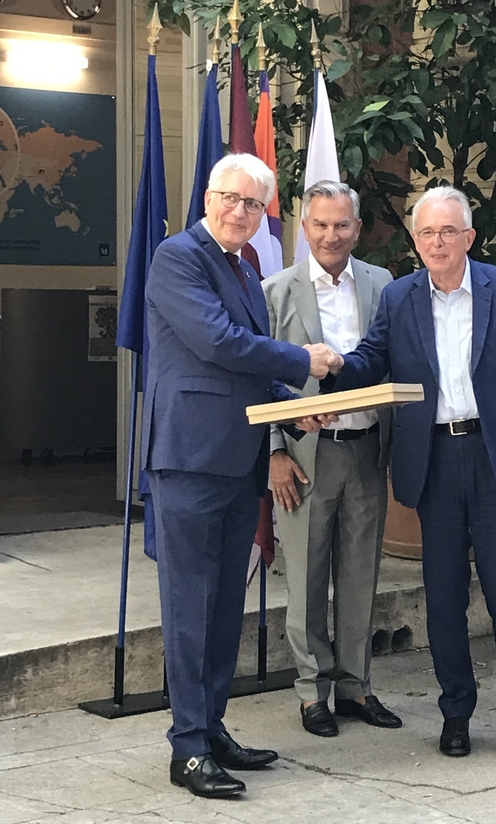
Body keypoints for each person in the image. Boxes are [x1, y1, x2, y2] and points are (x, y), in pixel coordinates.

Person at [324, 185, 496, 761]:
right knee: (443, 599)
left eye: (448, 232)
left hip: (494, 457)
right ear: (415, 239)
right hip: (432, 459)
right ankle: (456, 713)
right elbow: (368, 361)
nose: (437, 242)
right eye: (427, 232)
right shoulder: (401, 298)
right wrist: (328, 376)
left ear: (468, 238)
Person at [141, 153, 336, 799]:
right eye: (231, 198)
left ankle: (212, 727)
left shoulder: (247, 266)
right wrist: (303, 360)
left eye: (254, 205)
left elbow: (249, 371)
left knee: (226, 608)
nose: (241, 213)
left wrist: (298, 405)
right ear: (208, 196)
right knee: (191, 610)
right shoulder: (179, 257)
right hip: (192, 461)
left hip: (239, 459)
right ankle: (188, 749)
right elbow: (218, 342)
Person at [263, 180, 401, 737]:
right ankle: (310, 692)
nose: (330, 235)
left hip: (366, 449)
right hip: (303, 457)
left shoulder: (382, 284)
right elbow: (262, 376)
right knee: (307, 575)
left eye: (342, 224)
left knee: (359, 574)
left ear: (358, 229)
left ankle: (355, 687)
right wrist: (273, 450)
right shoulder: (276, 291)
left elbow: (392, 359)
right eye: (319, 224)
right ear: (304, 226)